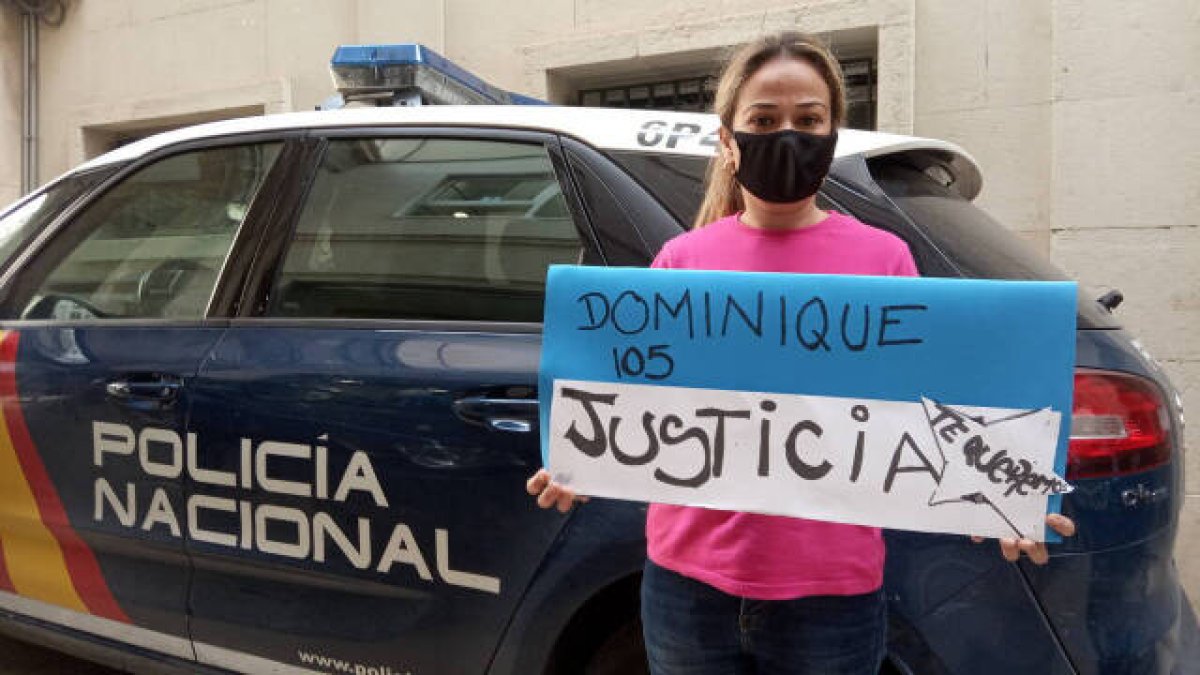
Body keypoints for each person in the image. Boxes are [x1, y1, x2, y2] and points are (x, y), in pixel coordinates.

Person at [527, 31, 1076, 675]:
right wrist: (581, 460)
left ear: (832, 135)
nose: (787, 133)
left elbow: (930, 405)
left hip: (832, 594)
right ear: (729, 142)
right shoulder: (682, 263)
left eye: (808, 119)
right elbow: (641, 404)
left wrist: (1002, 496)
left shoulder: (884, 260)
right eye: (763, 119)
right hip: (685, 587)